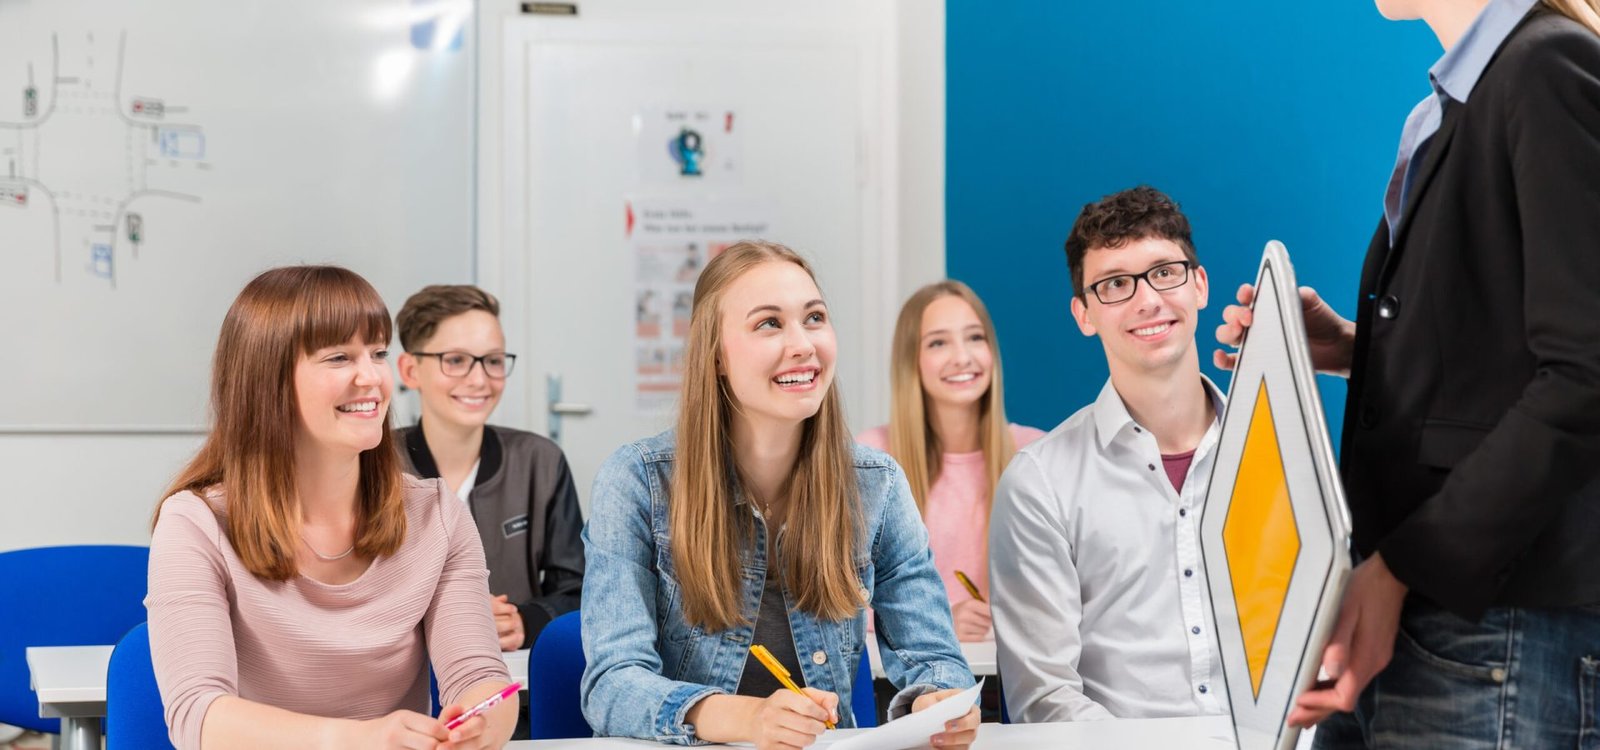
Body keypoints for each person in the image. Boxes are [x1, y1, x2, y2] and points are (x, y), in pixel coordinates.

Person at [1215, 0, 1600, 745]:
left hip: (1490, 628)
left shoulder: (1546, 68)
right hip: (1419, 620)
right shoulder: (1465, 96)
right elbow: (1500, 360)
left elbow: (1587, 371)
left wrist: (1401, 567)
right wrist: (1349, 347)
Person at [580, 241, 979, 749]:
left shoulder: (876, 485)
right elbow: (611, 685)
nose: (803, 344)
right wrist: (748, 719)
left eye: (814, 318)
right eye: (769, 323)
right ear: (717, 356)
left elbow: (937, 659)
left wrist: (939, 701)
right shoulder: (636, 481)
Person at [147, 266, 517, 750]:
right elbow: (199, 717)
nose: (372, 378)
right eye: (340, 357)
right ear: (268, 381)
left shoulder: (436, 515)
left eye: (378, 353)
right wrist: (362, 738)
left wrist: (482, 722)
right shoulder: (195, 523)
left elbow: (481, 675)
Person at [990, 186, 1229, 722]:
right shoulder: (1040, 484)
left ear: (1200, 285)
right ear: (1084, 314)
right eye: (1116, 284)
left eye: (1165, 272)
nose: (1147, 300)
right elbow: (1043, 697)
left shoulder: (1279, 455)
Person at [394, 285, 584, 652]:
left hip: (512, 684)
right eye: (456, 360)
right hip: (403, 685)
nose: (480, 379)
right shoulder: (373, 463)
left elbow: (580, 592)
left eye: (493, 361)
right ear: (410, 370)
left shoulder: (539, 461)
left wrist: (525, 621)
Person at [857, 281, 1044, 642]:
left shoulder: (1035, 453)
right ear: (911, 360)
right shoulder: (871, 460)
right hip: (902, 688)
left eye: (975, 337)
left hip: (1010, 683)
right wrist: (934, 623)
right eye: (938, 343)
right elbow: (837, 604)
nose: (962, 357)